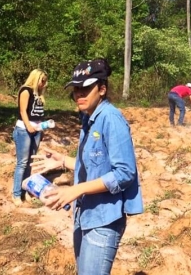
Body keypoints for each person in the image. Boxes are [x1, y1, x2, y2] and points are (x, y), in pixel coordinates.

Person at [31, 58, 142, 275]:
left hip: (104, 220)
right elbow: (96, 165)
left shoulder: (111, 119)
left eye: (85, 89)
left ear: (102, 89)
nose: (79, 95)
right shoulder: (89, 118)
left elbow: (125, 173)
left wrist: (77, 189)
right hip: (85, 214)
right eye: (76, 90)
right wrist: (63, 161)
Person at [12, 69, 48, 206]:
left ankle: (25, 191)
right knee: (22, 162)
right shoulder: (26, 90)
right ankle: (16, 194)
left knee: (30, 163)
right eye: (43, 81)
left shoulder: (38, 94)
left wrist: (42, 127)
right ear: (36, 78)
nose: (45, 84)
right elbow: (22, 111)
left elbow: (37, 113)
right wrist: (28, 127)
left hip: (37, 130)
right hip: (24, 130)